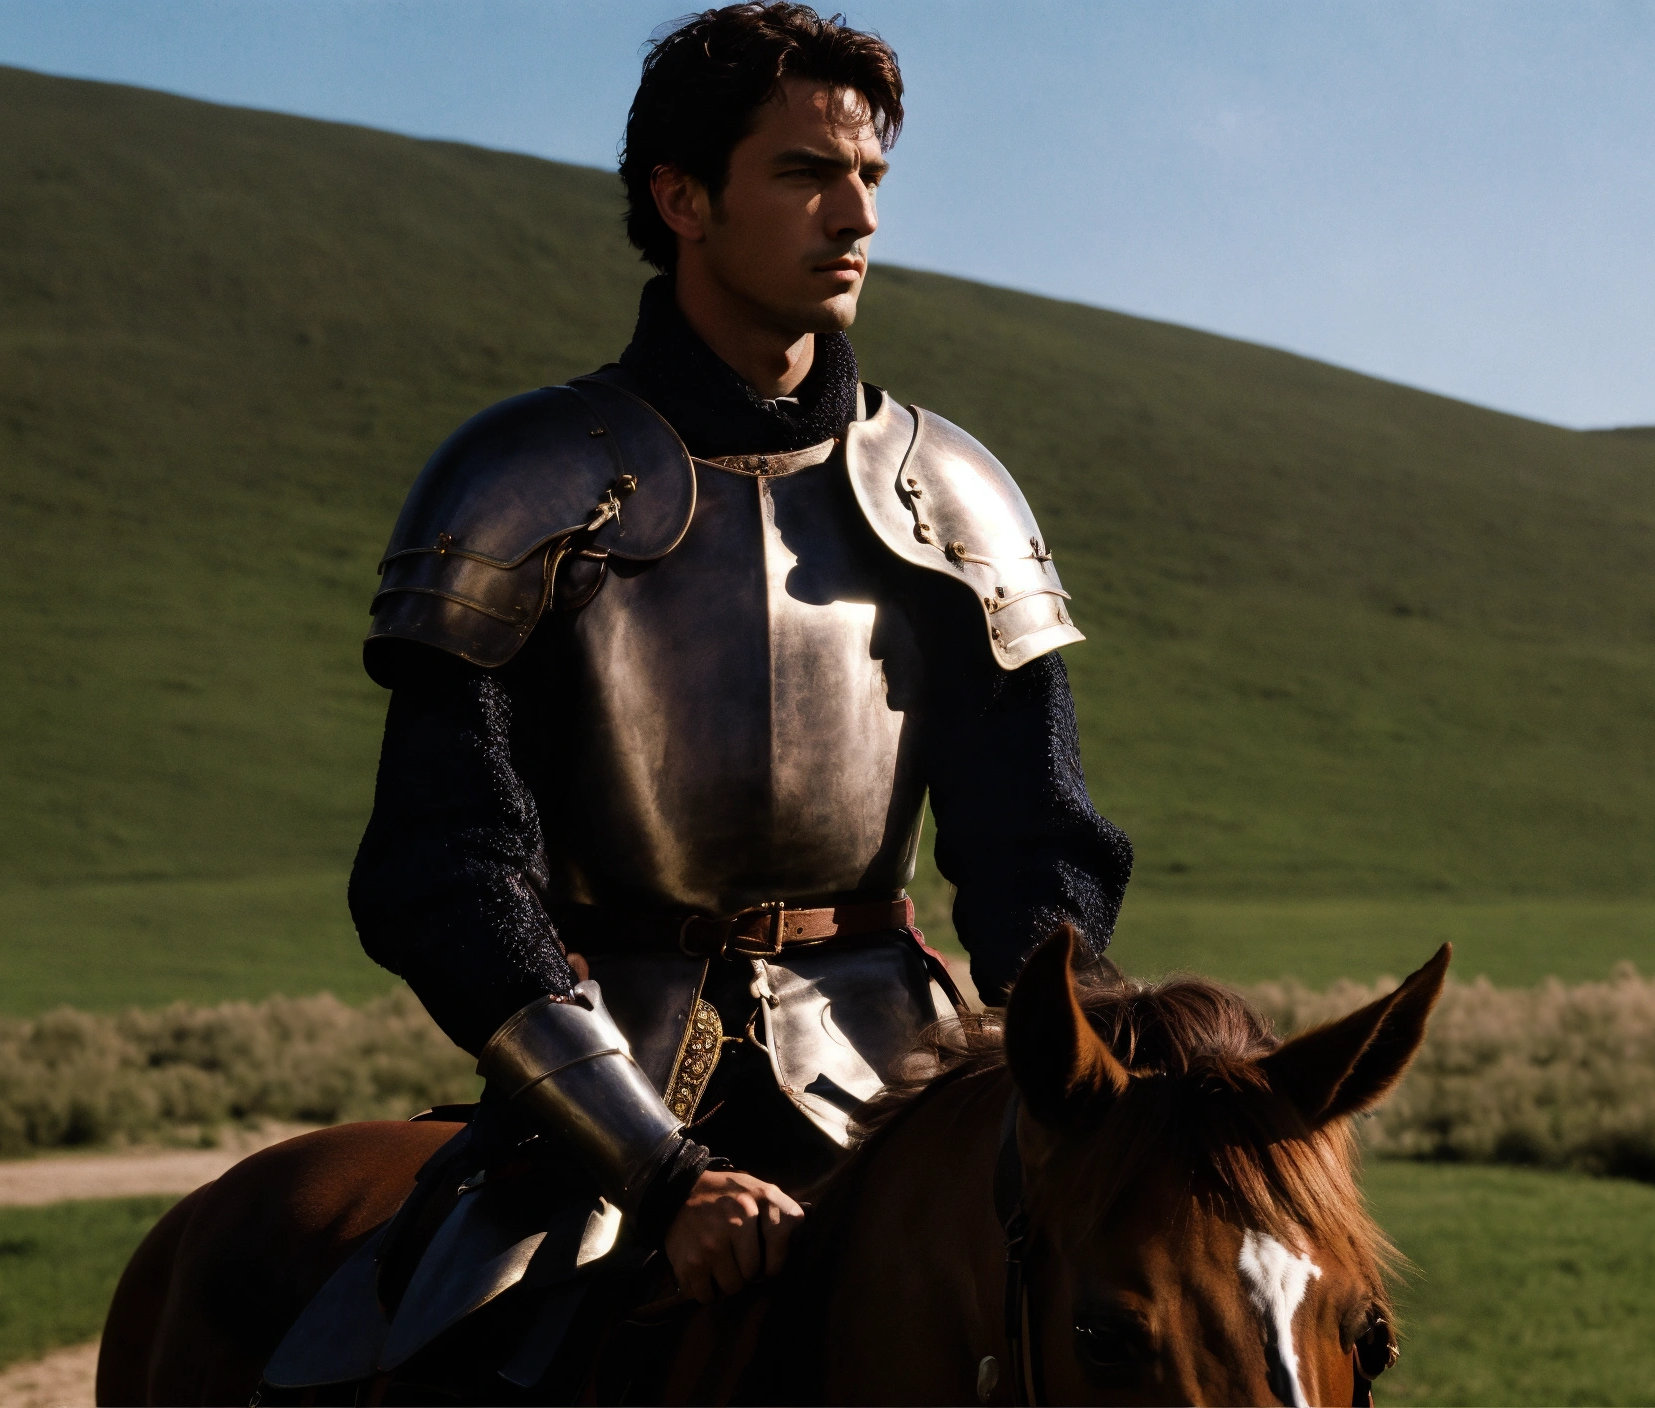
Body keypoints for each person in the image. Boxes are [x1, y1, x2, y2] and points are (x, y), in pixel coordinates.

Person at [339, 0, 1131, 1360]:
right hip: (603, 1090)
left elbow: (1036, 847)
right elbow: (441, 866)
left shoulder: (951, 493)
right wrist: (657, 1172)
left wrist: (1077, 1089)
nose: (857, 215)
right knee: (426, 1365)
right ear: (682, 198)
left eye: (869, 175)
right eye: (806, 173)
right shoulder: (523, 483)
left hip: (900, 1077)